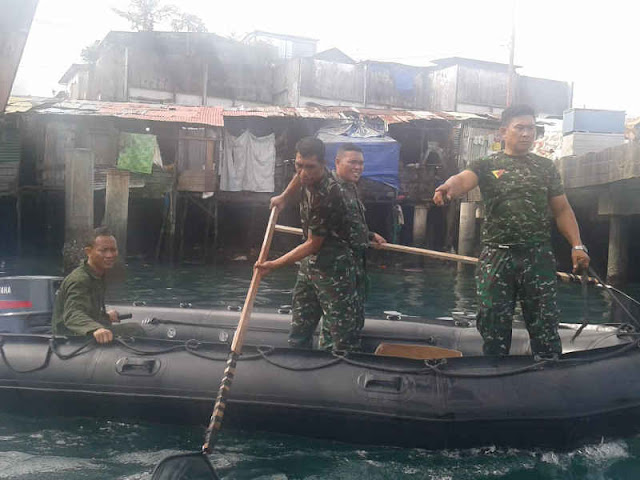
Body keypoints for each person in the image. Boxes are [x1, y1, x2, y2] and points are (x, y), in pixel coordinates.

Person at [433, 104, 590, 356]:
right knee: (493, 325)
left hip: (537, 257)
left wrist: (577, 245)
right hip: (497, 257)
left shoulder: (545, 167)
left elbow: (562, 210)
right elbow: (463, 178)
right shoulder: (486, 164)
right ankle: (495, 375)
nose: (527, 134)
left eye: (531, 128)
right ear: (503, 132)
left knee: (545, 325)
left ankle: (549, 373)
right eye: (520, 128)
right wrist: (447, 187)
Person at [255, 137, 361, 351]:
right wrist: (284, 197)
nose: (304, 173)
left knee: (339, 337)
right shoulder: (305, 176)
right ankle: (296, 361)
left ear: (323, 164)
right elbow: (298, 177)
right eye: (299, 165)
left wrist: (273, 265)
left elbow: (314, 244)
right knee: (300, 322)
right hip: (309, 265)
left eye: (310, 167)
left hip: (334, 268)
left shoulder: (328, 194)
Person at [271, 143, 386, 332]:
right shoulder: (328, 191)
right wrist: (284, 197)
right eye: (352, 162)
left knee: (329, 331)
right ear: (336, 162)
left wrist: (368, 235)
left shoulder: (348, 187)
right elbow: (313, 244)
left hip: (329, 267)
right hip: (333, 272)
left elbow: (346, 221)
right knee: (332, 333)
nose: (357, 167)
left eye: (360, 163)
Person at [52, 227, 144, 343]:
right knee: (135, 330)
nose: (110, 255)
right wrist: (96, 328)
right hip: (71, 337)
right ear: (88, 252)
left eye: (113, 250)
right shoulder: (80, 280)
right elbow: (73, 314)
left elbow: (87, 309)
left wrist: (105, 317)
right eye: (104, 250)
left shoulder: (97, 275)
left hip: (81, 332)